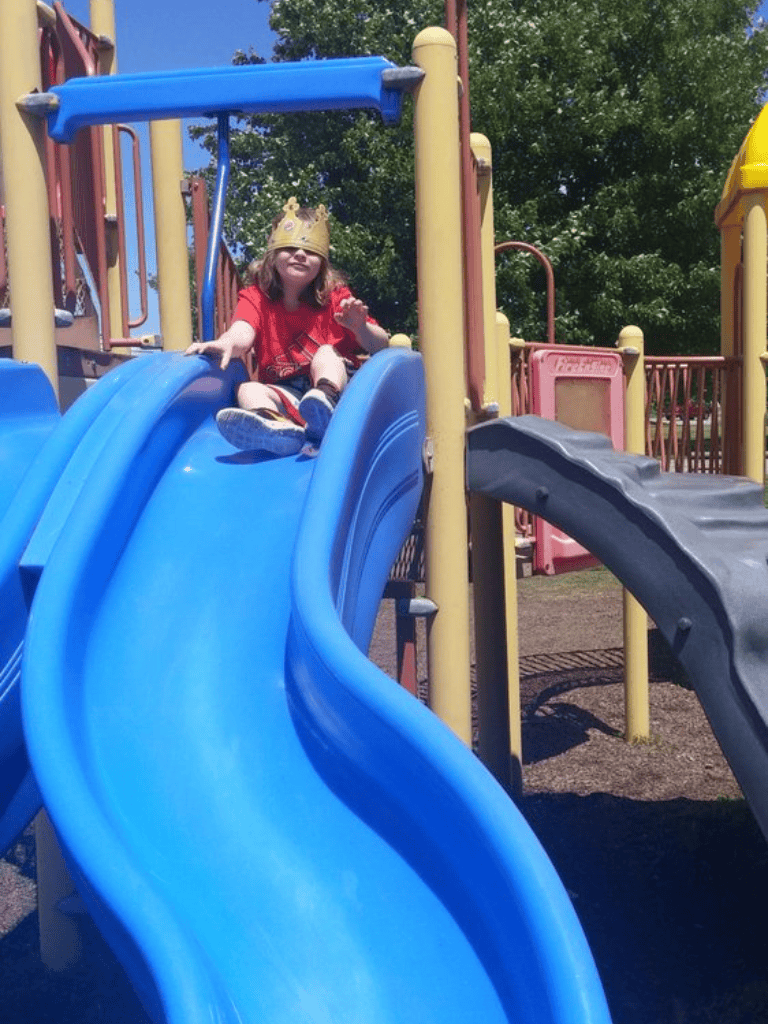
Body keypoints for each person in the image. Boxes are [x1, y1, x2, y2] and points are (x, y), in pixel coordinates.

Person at [185, 197, 389, 455]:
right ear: (273, 255)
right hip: (291, 394)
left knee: (325, 352)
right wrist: (227, 343)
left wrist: (360, 327)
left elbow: (381, 346)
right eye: (290, 248)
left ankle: (325, 401)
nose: (301, 254)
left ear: (322, 262)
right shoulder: (256, 297)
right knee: (247, 389)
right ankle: (276, 428)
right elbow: (243, 330)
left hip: (342, 396)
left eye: (311, 251)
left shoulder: (336, 298)